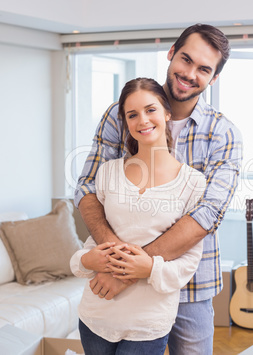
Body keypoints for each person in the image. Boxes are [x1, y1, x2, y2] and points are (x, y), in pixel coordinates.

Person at [74, 23, 243, 354]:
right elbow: (87, 188)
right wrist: (117, 261)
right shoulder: (120, 115)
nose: (190, 73)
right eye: (185, 59)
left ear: (214, 78)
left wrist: (133, 269)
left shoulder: (224, 134)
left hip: (191, 285)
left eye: (204, 69)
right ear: (170, 54)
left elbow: (207, 215)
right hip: (118, 288)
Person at [71, 77, 206, 355]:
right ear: (125, 123)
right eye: (132, 115)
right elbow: (91, 246)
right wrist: (86, 259)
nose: (142, 120)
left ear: (167, 112)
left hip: (149, 323)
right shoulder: (107, 173)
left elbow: (188, 263)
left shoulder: (193, 183)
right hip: (96, 314)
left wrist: (149, 268)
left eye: (150, 110)